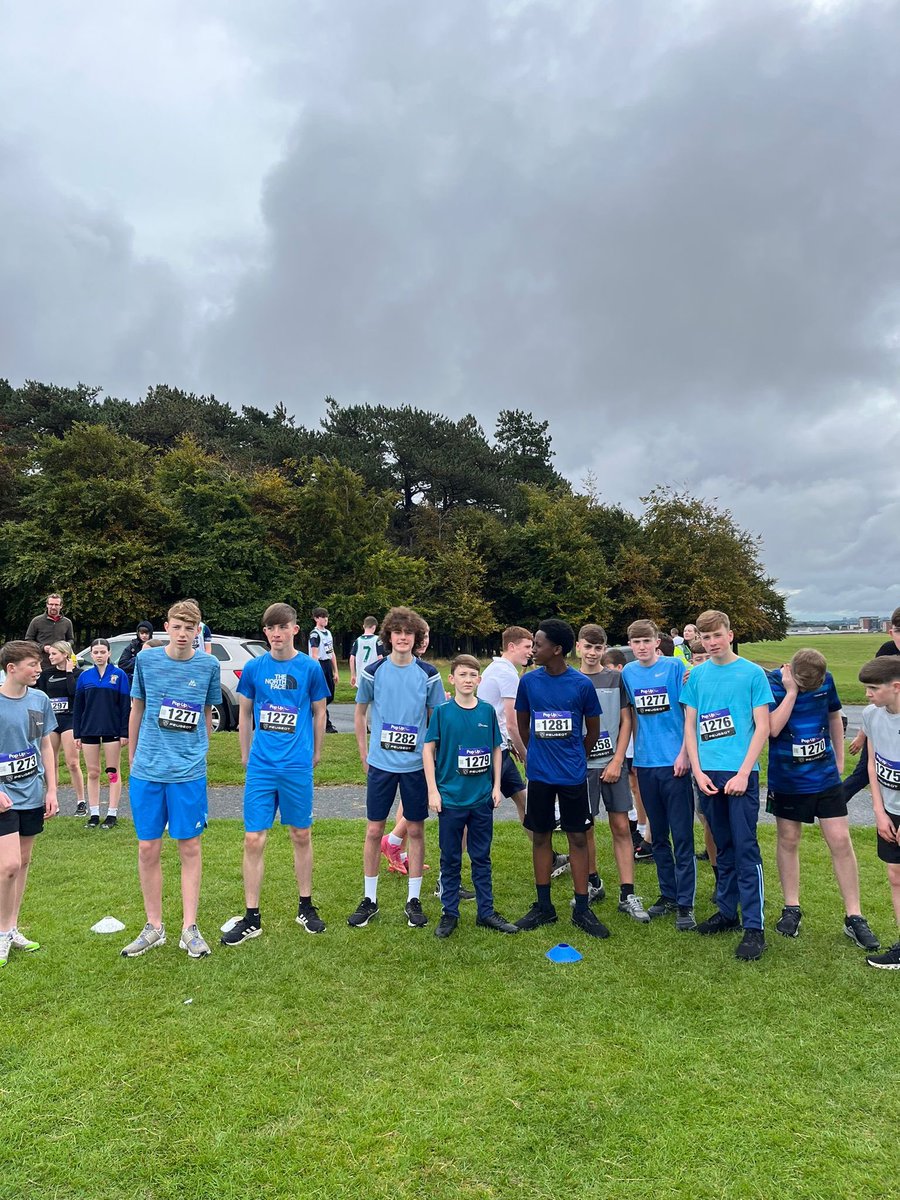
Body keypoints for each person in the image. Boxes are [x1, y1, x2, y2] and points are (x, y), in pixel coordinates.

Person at [221, 603, 330, 945]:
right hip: (262, 766)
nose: (277, 634)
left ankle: (306, 907)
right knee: (253, 838)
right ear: (265, 632)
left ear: (295, 629)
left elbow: (320, 712)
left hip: (296, 765)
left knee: (301, 834)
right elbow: (244, 713)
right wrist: (245, 753)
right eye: (271, 628)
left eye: (283, 627)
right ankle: (251, 917)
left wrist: (316, 752)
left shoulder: (310, 668)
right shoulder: (254, 668)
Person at [120, 599, 222, 959]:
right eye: (176, 626)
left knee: (189, 847)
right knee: (148, 848)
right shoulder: (146, 660)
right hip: (147, 770)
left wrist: (201, 754)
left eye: (189, 628)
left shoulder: (209, 665)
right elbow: (137, 708)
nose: (182, 634)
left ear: (198, 631)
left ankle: (189, 928)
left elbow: (207, 713)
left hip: (187, 773)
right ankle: (154, 926)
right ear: (167, 627)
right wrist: (132, 756)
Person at [765, 649, 879, 949]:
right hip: (787, 779)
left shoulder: (826, 680)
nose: (809, 689)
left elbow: (833, 717)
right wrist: (791, 692)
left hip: (825, 777)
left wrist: (839, 760)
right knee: (788, 839)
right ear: (792, 671)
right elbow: (772, 728)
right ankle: (791, 908)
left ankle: (854, 916)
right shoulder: (773, 683)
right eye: (803, 684)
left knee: (840, 840)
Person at [682, 609, 773, 961]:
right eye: (705, 638)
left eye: (717, 635)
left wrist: (744, 772)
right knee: (722, 847)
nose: (712, 642)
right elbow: (691, 726)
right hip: (709, 774)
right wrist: (697, 771)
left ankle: (754, 927)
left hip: (740, 774)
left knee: (745, 847)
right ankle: (726, 911)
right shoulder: (697, 676)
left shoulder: (752, 674)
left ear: (730, 635)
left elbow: (762, 727)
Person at [348, 607, 445, 929]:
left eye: (409, 633)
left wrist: (433, 760)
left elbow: (435, 720)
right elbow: (360, 714)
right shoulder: (373, 672)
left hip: (416, 765)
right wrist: (364, 753)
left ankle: (413, 900)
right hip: (381, 765)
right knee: (374, 830)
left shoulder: (428, 674)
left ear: (417, 638)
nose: (403, 638)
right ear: (388, 636)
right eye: (397, 632)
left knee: (415, 830)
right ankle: (369, 899)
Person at [513, 619, 609, 939]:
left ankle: (582, 909)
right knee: (540, 836)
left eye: (538, 644)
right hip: (540, 775)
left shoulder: (581, 685)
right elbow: (523, 726)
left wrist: (574, 757)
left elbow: (592, 731)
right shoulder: (529, 682)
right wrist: (539, 754)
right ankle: (544, 907)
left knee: (578, 837)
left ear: (556, 649)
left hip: (571, 775)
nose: (533, 649)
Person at [424, 654, 519, 938]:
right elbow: (428, 749)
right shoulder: (442, 712)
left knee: (481, 857)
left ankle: (486, 912)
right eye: (462, 675)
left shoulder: (487, 711)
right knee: (450, 858)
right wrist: (433, 790)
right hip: (451, 799)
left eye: (472, 675)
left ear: (480, 679)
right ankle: (449, 913)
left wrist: (496, 786)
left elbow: (497, 749)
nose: (467, 680)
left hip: (481, 800)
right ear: (452, 679)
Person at [621, 620, 696, 931]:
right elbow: (630, 715)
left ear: (656, 642)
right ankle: (668, 894)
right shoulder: (628, 673)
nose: (641, 647)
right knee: (658, 836)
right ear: (630, 644)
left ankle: (686, 903)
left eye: (646, 641)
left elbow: (689, 711)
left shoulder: (675, 667)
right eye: (636, 642)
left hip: (675, 762)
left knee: (682, 835)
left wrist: (685, 754)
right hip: (646, 763)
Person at [577, 626, 649, 922]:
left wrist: (618, 760)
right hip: (582, 768)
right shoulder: (571, 680)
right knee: (585, 828)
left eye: (598, 648)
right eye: (588, 647)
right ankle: (592, 882)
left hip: (613, 765)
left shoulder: (615, 679)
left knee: (621, 826)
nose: (593, 653)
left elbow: (626, 721)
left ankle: (627, 893)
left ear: (604, 649)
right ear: (578, 647)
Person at [0, 641, 59, 968]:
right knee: (7, 865)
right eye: (32, 665)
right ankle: (1, 932)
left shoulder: (40, 700)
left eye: (39, 664)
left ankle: (12, 928)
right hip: (3, 797)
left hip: (32, 794)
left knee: (22, 863)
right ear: (11, 668)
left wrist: (52, 790)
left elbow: (46, 746)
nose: (39, 669)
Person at [856, 657, 900, 968]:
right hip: (889, 811)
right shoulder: (871, 715)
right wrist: (879, 812)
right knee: (895, 875)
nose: (868, 694)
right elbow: (872, 764)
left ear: (896, 687)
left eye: (873, 688)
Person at [843, 606, 900, 803]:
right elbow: (875, 689)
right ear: (891, 632)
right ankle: (832, 807)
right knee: (866, 770)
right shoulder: (888, 651)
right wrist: (862, 735)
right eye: (898, 631)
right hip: (885, 722)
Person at [72, 639, 130, 829]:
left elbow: (125, 706)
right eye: (95, 652)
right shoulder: (84, 676)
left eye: (102, 652)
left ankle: (112, 813)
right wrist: (77, 733)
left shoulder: (119, 675)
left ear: (109, 653)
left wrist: (124, 732)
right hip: (89, 729)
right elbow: (78, 707)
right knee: (93, 772)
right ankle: (94, 813)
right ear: (91, 654)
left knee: (112, 772)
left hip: (112, 729)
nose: (99, 655)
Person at [36, 641, 86, 816]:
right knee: (51, 762)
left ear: (65, 654)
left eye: (54, 654)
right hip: (52, 721)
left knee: (72, 762)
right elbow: (42, 696)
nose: (50, 657)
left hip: (70, 720)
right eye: (50, 654)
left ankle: (81, 801)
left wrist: (69, 672)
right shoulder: (46, 674)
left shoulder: (78, 674)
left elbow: (74, 693)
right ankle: (53, 801)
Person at [309, 607, 339, 733]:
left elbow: (331, 653)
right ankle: (326, 724)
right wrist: (317, 671)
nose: (325, 619)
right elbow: (314, 655)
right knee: (323, 695)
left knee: (330, 695)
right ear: (316, 619)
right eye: (322, 617)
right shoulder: (315, 634)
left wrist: (335, 671)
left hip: (327, 664)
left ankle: (312, 711)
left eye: (326, 616)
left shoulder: (328, 633)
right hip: (319, 664)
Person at [24, 593, 75, 664]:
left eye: (56, 605)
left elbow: (71, 639)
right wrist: (43, 647)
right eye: (51, 604)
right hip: (41, 662)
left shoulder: (67, 622)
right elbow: (28, 640)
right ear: (47, 605)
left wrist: (65, 646)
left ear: (61, 606)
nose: (53, 607)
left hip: (61, 663)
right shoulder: (36, 621)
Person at [349, 617, 383, 688]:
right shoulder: (377, 640)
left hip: (361, 676)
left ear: (363, 626)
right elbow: (380, 658)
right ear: (374, 627)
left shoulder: (357, 640)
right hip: (373, 675)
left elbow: (352, 659)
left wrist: (353, 675)